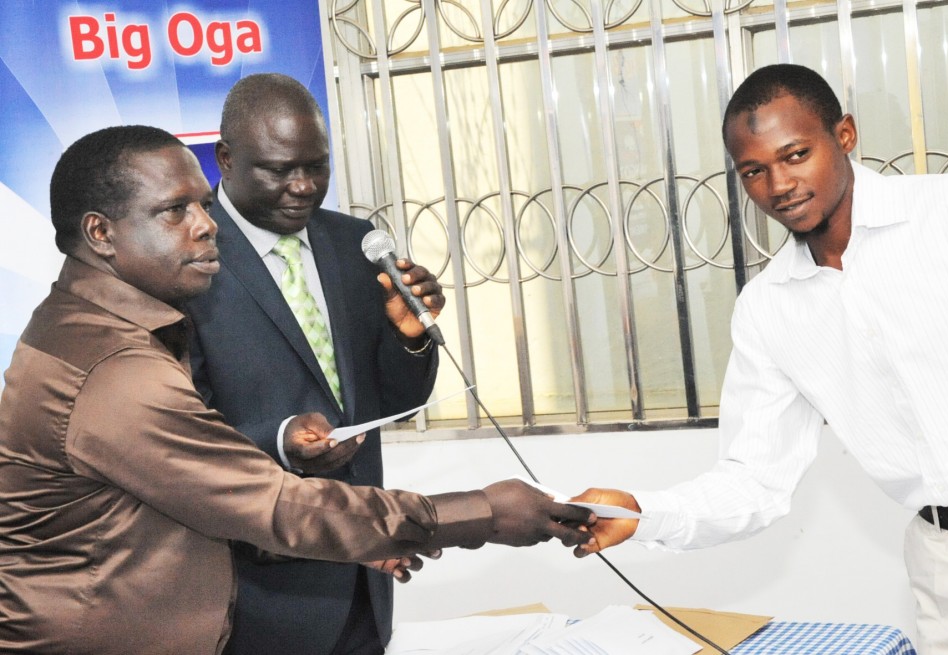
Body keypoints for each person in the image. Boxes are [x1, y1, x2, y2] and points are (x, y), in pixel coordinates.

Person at [0, 125, 595, 655]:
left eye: (203, 205)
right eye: (175, 210)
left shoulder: (87, 323)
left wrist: (355, 539)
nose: (207, 225)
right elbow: (273, 504)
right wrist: (485, 513)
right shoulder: (114, 368)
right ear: (100, 232)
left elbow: (184, 507)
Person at [570, 63, 948, 655]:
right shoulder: (767, 310)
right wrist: (643, 512)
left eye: (795, 154)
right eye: (754, 171)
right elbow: (754, 480)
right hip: (945, 572)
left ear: (846, 135)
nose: (778, 185)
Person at [180, 72, 446, 655]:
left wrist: (411, 339)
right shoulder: (187, 259)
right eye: (279, 169)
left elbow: (397, 403)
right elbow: (175, 433)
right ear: (225, 159)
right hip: (255, 588)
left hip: (365, 572)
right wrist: (278, 441)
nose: (303, 187)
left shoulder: (357, 243)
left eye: (317, 166)